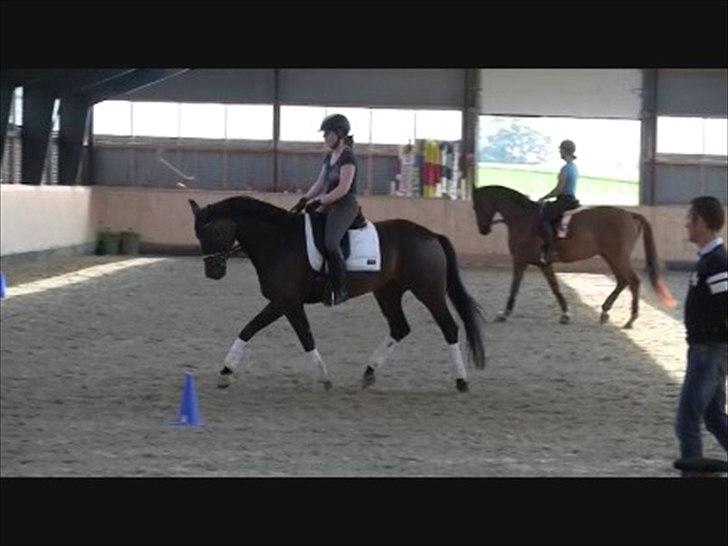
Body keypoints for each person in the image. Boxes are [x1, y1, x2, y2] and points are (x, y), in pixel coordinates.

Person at [675, 195, 728, 464]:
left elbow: (724, 304)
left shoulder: (717, 263)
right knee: (714, 417)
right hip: (706, 348)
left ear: (703, 223)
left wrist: (716, 342)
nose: (687, 225)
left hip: (709, 349)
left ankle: (692, 470)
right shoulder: (709, 260)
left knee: (687, 418)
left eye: (690, 219)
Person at [290, 114, 359, 306]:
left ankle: (340, 288)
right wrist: (305, 199)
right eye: (324, 135)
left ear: (339, 134)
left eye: (327, 134)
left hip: (345, 205)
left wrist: (320, 201)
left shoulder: (348, 156)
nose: (325, 138)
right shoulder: (329, 156)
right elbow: (320, 182)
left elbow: (343, 188)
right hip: (328, 203)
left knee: (330, 242)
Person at [537, 139, 581, 263]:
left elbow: (559, 189)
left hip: (564, 200)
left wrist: (544, 197)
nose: (559, 152)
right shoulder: (574, 167)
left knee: (543, 219)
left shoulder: (565, 169)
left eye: (560, 150)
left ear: (564, 151)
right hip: (571, 199)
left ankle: (551, 250)